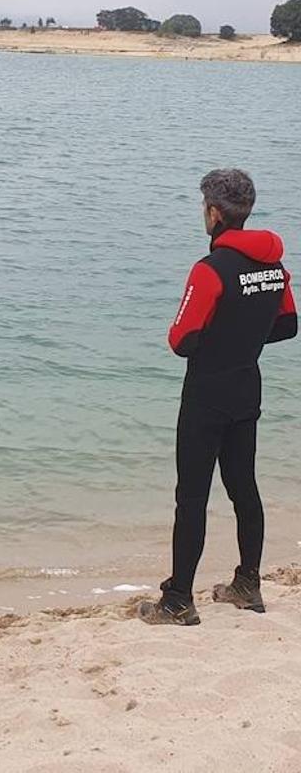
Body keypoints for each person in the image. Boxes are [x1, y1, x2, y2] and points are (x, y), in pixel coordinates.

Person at [140, 169, 296, 626]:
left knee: (191, 497)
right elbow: (287, 326)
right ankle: (248, 584)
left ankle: (178, 601)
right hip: (247, 388)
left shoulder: (209, 271)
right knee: (243, 487)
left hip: (206, 393)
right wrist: (241, 338)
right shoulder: (274, 267)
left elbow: (181, 340)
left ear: (213, 213)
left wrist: (219, 338)